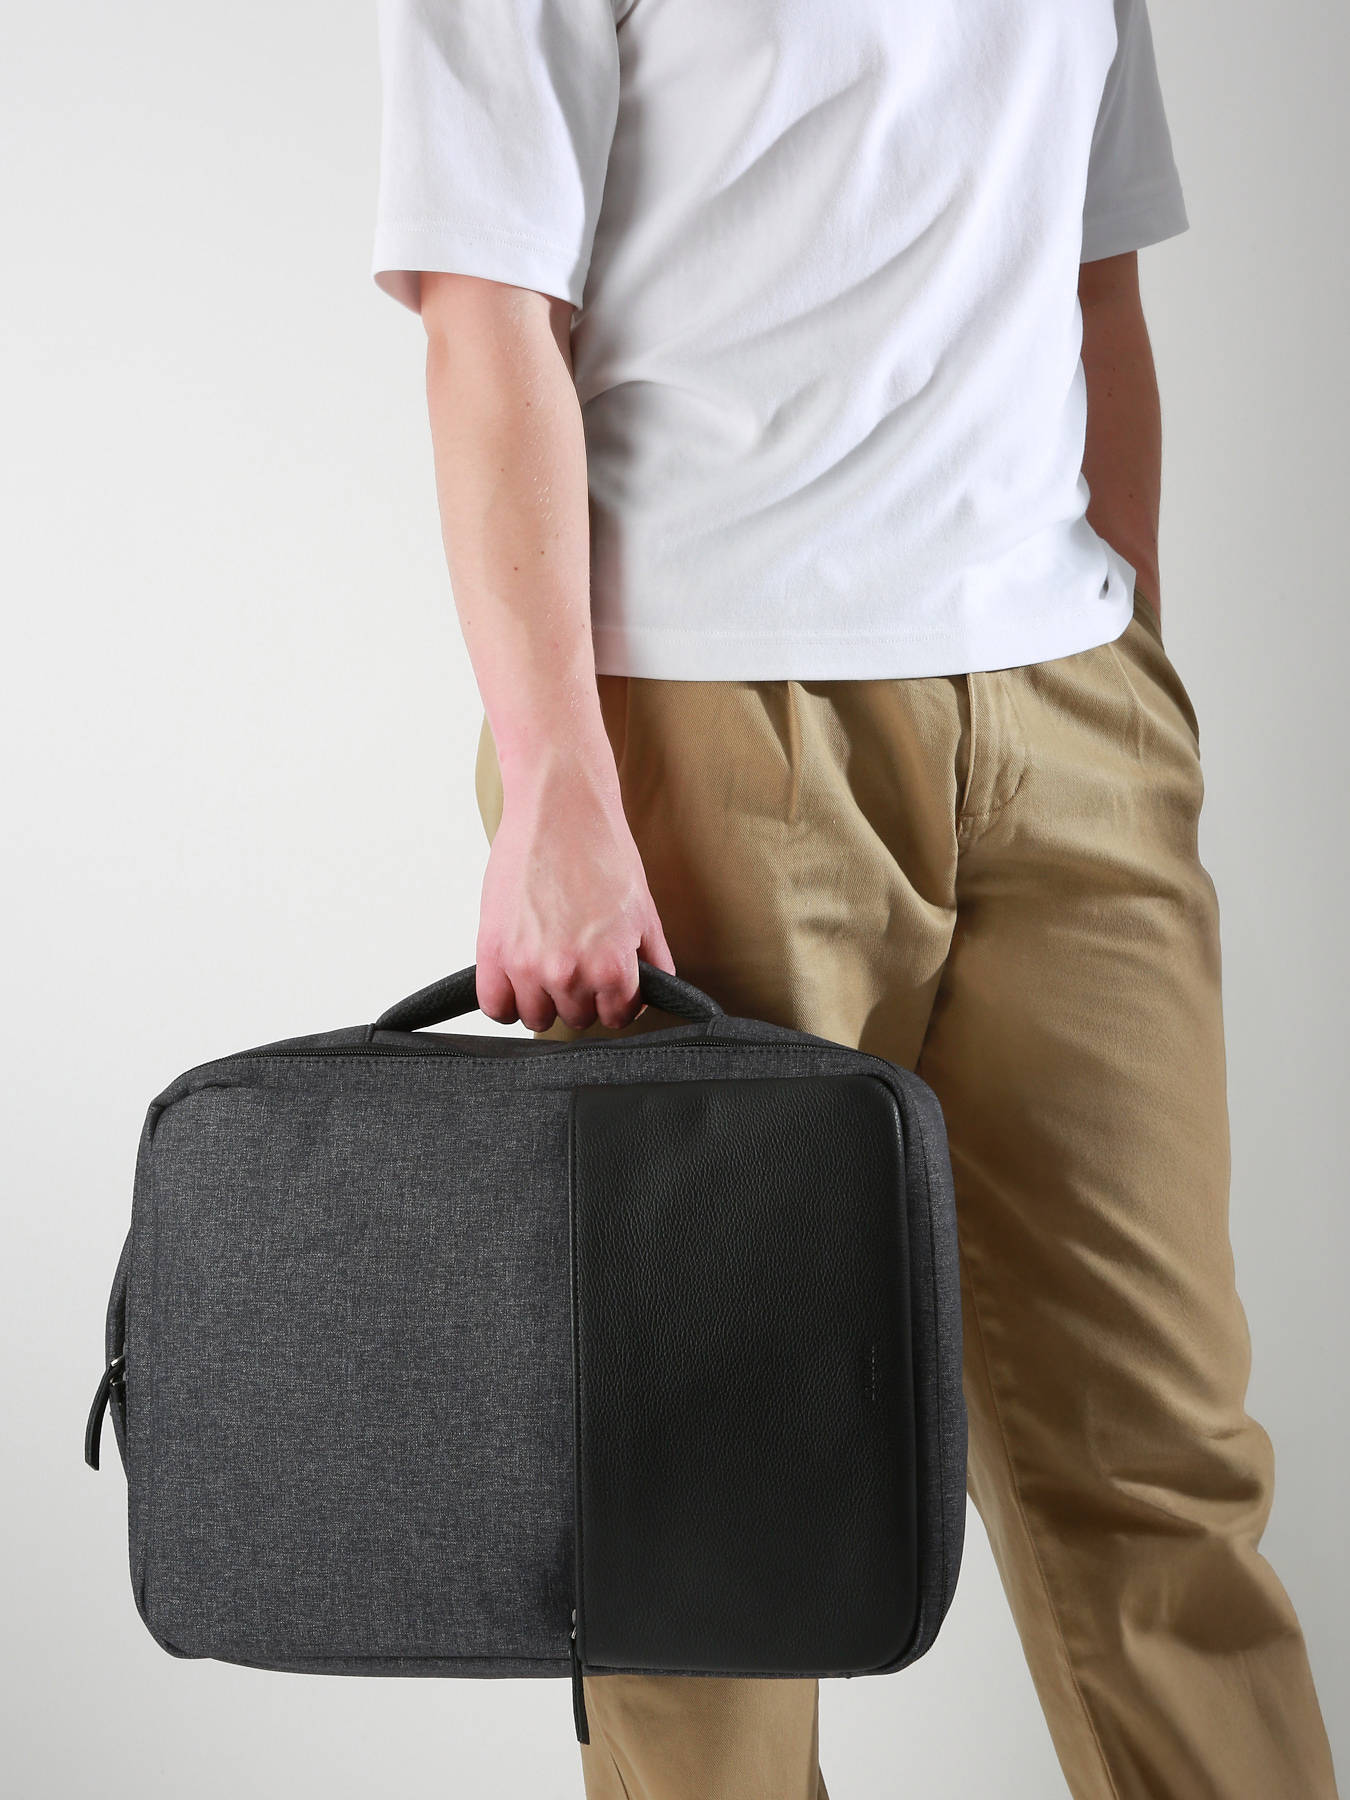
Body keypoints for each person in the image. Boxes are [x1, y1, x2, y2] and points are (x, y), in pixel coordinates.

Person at [369, 2, 1340, 1794]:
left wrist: (1131, 655)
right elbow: (484, 308)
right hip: (702, 726)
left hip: (1067, 714)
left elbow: (1091, 278)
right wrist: (559, 778)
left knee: (1160, 1464)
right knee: (707, 1496)